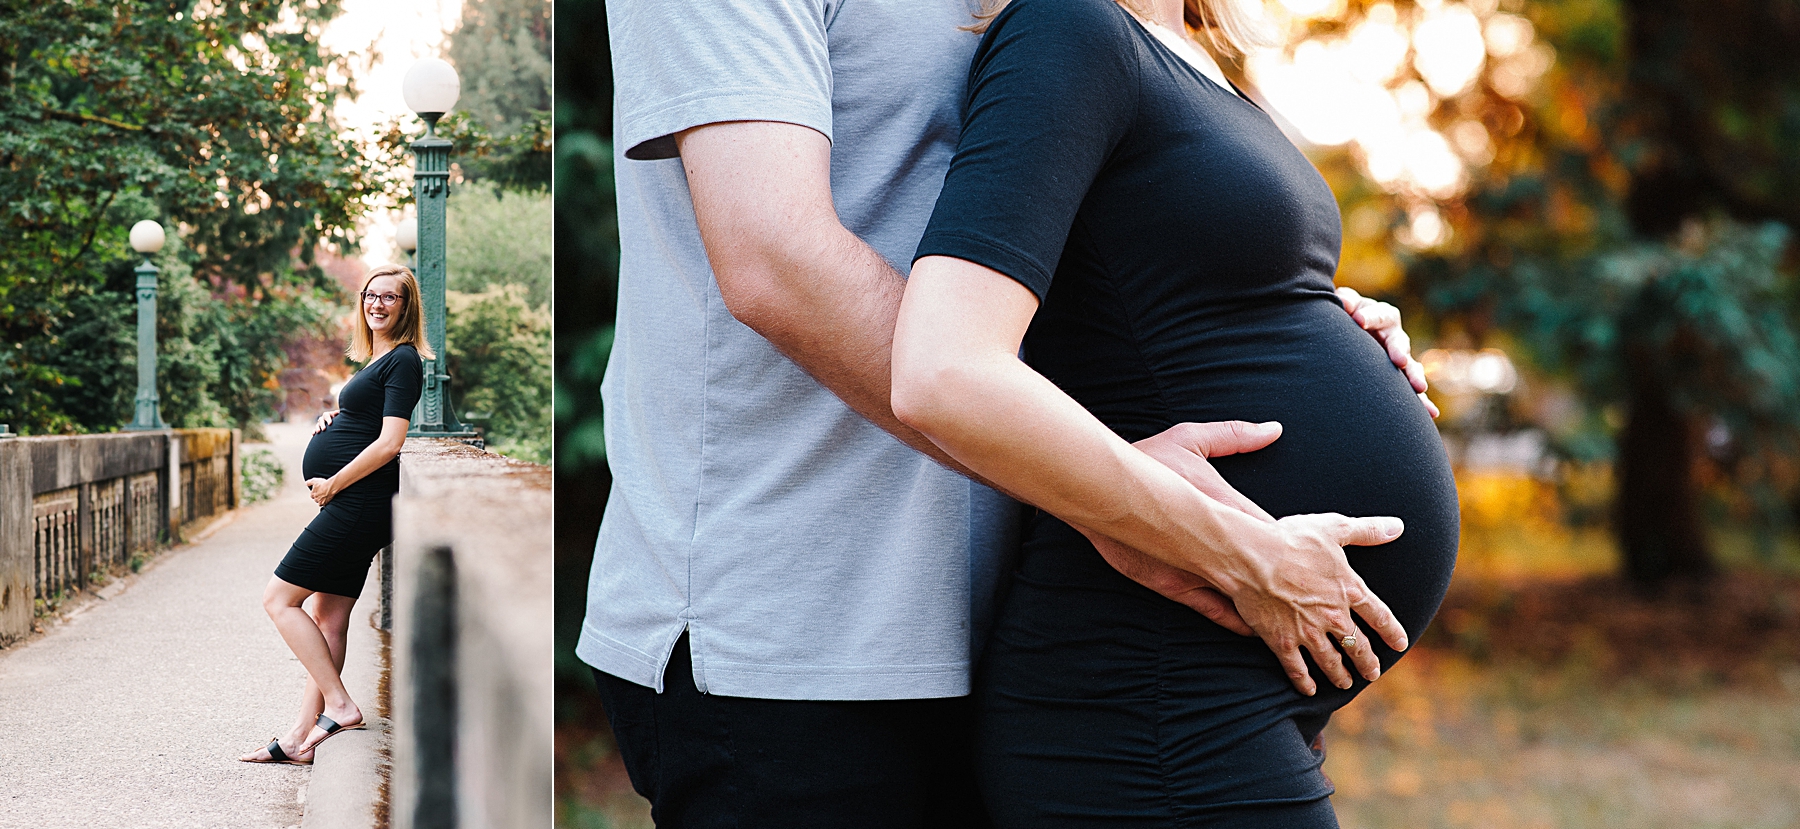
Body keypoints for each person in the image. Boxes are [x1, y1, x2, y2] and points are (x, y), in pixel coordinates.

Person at [582, 0, 1436, 824]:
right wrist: (1125, 490)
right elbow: (775, 260)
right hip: (804, 635)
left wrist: (1270, 303)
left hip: (1012, 607)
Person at [889, 0, 1460, 824]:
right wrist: (1249, 552)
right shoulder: (1067, 27)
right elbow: (945, 368)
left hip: (1207, 694)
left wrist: (1325, 314)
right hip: (1145, 697)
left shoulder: (1190, 53)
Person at [240, 264, 427, 766]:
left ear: (406, 308)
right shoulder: (380, 359)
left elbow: (391, 442)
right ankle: (300, 738)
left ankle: (341, 706)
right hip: (357, 501)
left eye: (390, 298)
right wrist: (338, 415)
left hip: (359, 501)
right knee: (329, 616)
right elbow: (368, 420)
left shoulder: (405, 360)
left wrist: (333, 483)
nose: (377, 304)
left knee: (279, 599)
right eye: (371, 295)